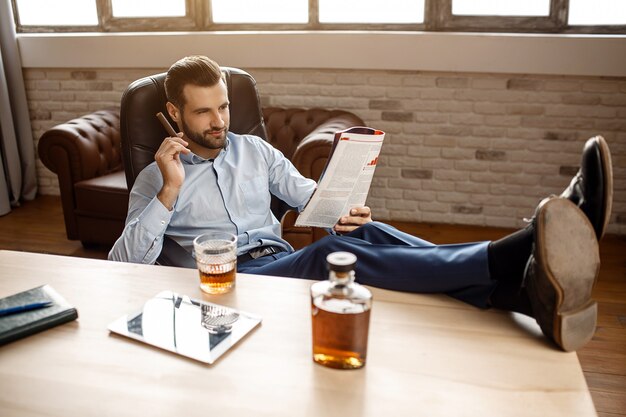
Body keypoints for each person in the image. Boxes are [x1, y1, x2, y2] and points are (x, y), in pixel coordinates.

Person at [109, 55, 613, 352]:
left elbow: (311, 198)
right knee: (328, 258)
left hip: (277, 261)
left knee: (361, 234)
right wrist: (171, 192)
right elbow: (121, 266)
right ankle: (520, 249)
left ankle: (521, 289)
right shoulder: (157, 178)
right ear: (174, 113)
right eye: (204, 113)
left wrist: (343, 206)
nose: (220, 121)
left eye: (223, 106)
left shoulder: (254, 150)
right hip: (230, 289)